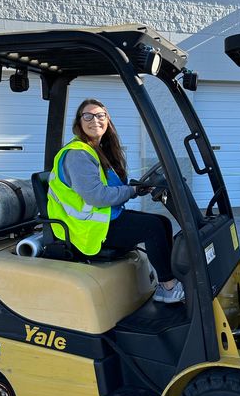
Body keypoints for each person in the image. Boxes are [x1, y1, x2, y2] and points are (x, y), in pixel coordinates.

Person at [47, 98, 184, 303]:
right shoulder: (78, 155)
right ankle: (169, 287)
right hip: (86, 230)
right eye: (88, 116)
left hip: (102, 220)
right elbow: (97, 196)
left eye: (100, 115)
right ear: (79, 122)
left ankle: (168, 283)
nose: (95, 120)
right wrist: (131, 191)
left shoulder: (97, 150)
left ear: (107, 120)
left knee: (162, 223)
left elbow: (111, 188)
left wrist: (137, 189)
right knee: (153, 228)